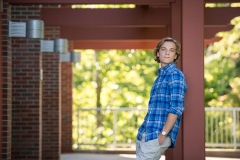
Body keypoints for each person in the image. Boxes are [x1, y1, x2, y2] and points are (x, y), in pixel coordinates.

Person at [136, 37, 188, 160]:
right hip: (145, 134)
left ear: (175, 55)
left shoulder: (175, 75)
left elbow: (176, 108)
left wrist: (163, 134)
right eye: (163, 49)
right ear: (158, 53)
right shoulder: (159, 78)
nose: (167, 52)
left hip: (157, 135)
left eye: (171, 50)